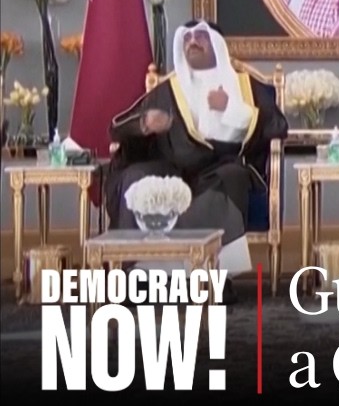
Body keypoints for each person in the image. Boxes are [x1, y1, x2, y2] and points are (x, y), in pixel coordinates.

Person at [104, 20, 289, 278]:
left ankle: (211, 277)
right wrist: (145, 124)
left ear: (217, 44)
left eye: (200, 36)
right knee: (135, 177)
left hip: (221, 166)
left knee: (232, 178)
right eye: (187, 38)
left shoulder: (245, 86)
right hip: (171, 169)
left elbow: (278, 126)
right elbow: (118, 129)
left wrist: (232, 109)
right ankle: (138, 274)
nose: (192, 42)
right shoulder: (168, 90)